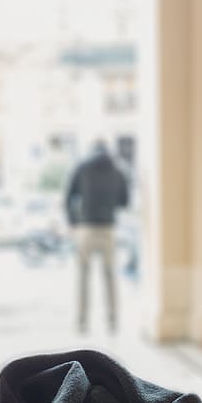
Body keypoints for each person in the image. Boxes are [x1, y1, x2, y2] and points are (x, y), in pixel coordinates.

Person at [66, 140, 129, 333]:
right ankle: (112, 320)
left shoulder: (82, 168)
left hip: (86, 227)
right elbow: (124, 202)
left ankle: (82, 321)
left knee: (84, 276)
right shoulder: (117, 171)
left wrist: (73, 222)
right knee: (110, 276)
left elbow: (69, 197)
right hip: (108, 228)